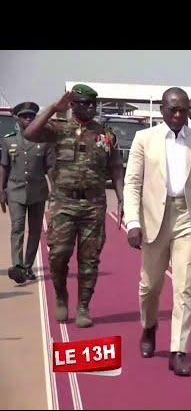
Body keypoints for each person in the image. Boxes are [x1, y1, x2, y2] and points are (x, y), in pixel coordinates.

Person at [124, 87, 191, 377]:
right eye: (172, 109)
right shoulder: (144, 139)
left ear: (189, 111)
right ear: (162, 109)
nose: (178, 115)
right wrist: (133, 223)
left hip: (188, 218)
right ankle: (149, 327)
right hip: (154, 219)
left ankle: (178, 350)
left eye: (183, 110)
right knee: (149, 286)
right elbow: (132, 184)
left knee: (185, 287)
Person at [23, 84, 124, 327]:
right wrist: (51, 109)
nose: (90, 108)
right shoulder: (58, 129)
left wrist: (122, 199)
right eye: (84, 103)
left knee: (89, 260)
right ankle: (61, 295)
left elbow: (116, 168)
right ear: (73, 105)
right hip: (63, 202)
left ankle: (83, 307)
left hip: (93, 204)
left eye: (93, 104)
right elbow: (29, 133)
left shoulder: (106, 134)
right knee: (58, 255)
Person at [0, 102, 55, 283]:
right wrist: (1, 189)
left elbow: (50, 168)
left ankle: (27, 266)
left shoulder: (45, 142)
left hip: (38, 191)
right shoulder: (9, 140)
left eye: (31, 116)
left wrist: (55, 190)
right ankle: (17, 266)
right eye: (24, 116)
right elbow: (4, 166)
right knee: (17, 229)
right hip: (15, 190)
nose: (28, 119)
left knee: (35, 231)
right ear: (17, 118)